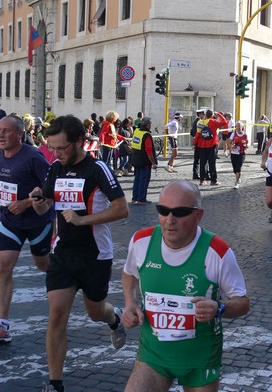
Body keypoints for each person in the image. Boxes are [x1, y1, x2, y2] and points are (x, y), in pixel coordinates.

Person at [30, 115, 129, 392]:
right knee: (56, 315)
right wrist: (39, 200)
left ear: (77, 142)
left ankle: (114, 318)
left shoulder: (97, 168)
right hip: (62, 253)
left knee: (95, 312)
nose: (56, 153)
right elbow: (45, 207)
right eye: (52, 148)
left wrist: (82, 219)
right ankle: (55, 383)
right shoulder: (55, 169)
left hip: (95, 254)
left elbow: (122, 209)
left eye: (61, 148)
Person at [120, 180, 250, 392]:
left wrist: (220, 308)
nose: (169, 220)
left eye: (179, 212)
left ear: (198, 215)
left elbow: (243, 302)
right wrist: (129, 302)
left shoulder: (217, 252)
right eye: (163, 210)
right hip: (153, 355)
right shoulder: (141, 241)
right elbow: (129, 272)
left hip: (199, 359)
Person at [0, 116, 54, 343]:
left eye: (6, 131)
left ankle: (65, 276)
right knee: (3, 267)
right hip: (9, 221)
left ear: (20, 134)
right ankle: (2, 324)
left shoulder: (33, 157)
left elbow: (51, 188)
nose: (1, 135)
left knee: (43, 264)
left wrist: (26, 202)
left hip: (37, 223)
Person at [193, 110, 227, 186]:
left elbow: (198, 134)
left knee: (202, 163)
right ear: (212, 115)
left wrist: (194, 143)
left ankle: (202, 180)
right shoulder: (213, 122)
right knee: (212, 163)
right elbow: (225, 122)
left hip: (202, 145)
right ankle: (213, 180)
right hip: (212, 145)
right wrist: (218, 114)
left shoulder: (200, 122)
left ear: (205, 115)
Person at [131, 117, 158, 205]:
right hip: (144, 161)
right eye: (150, 124)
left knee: (137, 179)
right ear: (147, 125)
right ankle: (141, 199)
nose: (151, 125)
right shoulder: (146, 135)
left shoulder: (137, 131)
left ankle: (135, 197)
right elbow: (149, 151)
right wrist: (153, 162)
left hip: (136, 159)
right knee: (143, 180)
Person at [227, 121, 248, 189]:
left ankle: (236, 183)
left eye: (239, 126)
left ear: (242, 127)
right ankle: (238, 178)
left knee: (238, 168)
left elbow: (246, 144)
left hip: (241, 153)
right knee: (235, 169)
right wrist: (232, 146)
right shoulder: (233, 134)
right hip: (234, 153)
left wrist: (245, 146)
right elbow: (229, 143)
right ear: (235, 127)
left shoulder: (245, 135)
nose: (238, 128)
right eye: (237, 126)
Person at [191, 110, 206, 180]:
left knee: (197, 159)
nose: (204, 115)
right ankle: (196, 173)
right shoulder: (198, 122)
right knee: (198, 159)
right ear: (200, 114)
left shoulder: (195, 121)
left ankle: (196, 173)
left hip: (197, 142)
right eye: (203, 114)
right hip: (199, 142)